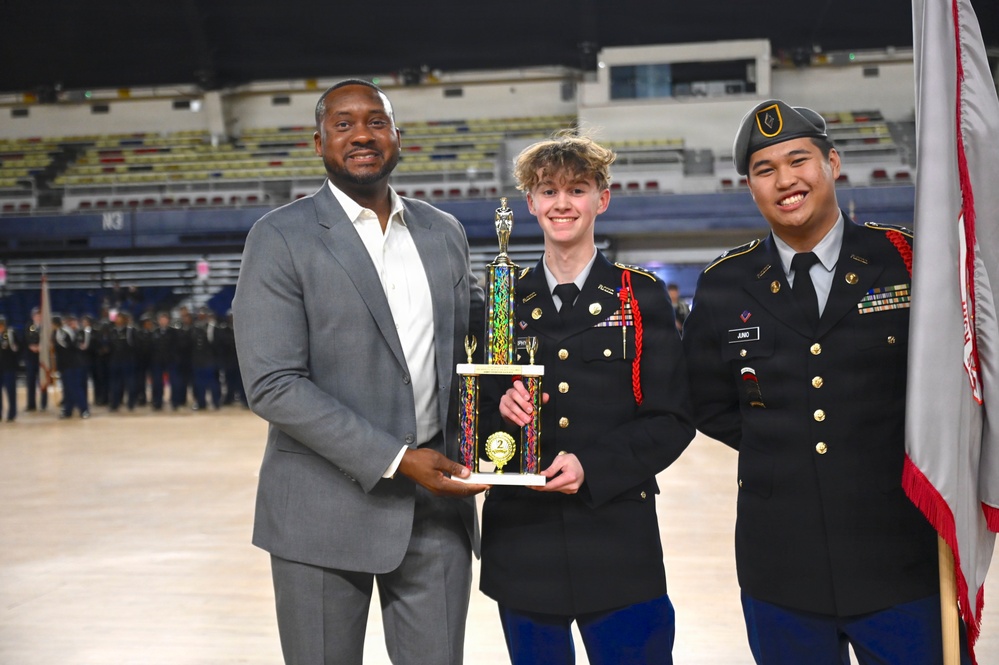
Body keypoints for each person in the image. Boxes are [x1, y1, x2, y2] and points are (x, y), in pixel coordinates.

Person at [681, 99, 967, 665]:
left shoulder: (908, 259)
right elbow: (706, 401)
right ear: (750, 188)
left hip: (900, 556)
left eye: (799, 160)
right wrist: (779, 436)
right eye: (765, 170)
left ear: (832, 163)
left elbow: (951, 379)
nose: (785, 180)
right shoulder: (723, 283)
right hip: (780, 563)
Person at [232, 79, 488, 665]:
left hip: (437, 508)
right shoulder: (279, 237)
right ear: (317, 141)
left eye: (376, 121)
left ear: (398, 136)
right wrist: (396, 459)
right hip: (321, 510)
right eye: (343, 124)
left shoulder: (443, 232)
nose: (362, 135)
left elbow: (472, 349)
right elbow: (273, 383)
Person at [480, 134, 695, 664]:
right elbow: (477, 418)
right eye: (547, 190)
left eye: (577, 189)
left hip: (618, 538)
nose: (562, 203)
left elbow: (672, 417)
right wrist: (498, 420)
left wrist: (592, 467)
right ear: (529, 202)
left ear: (603, 198)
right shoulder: (505, 299)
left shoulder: (639, 294)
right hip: (523, 542)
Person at [24, 307, 48, 412]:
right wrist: (31, 346)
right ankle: (31, 404)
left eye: (40, 315)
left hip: (42, 358)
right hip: (31, 358)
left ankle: (43, 404)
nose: (38, 317)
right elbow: (26, 339)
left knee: (43, 381)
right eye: (36, 315)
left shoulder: (45, 327)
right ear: (33, 316)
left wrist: (42, 346)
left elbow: (48, 339)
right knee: (31, 381)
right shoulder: (29, 326)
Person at [0, 315, 20, 422]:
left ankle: (12, 413)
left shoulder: (11, 333)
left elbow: (18, 348)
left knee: (10, 391)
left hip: (9, 367)